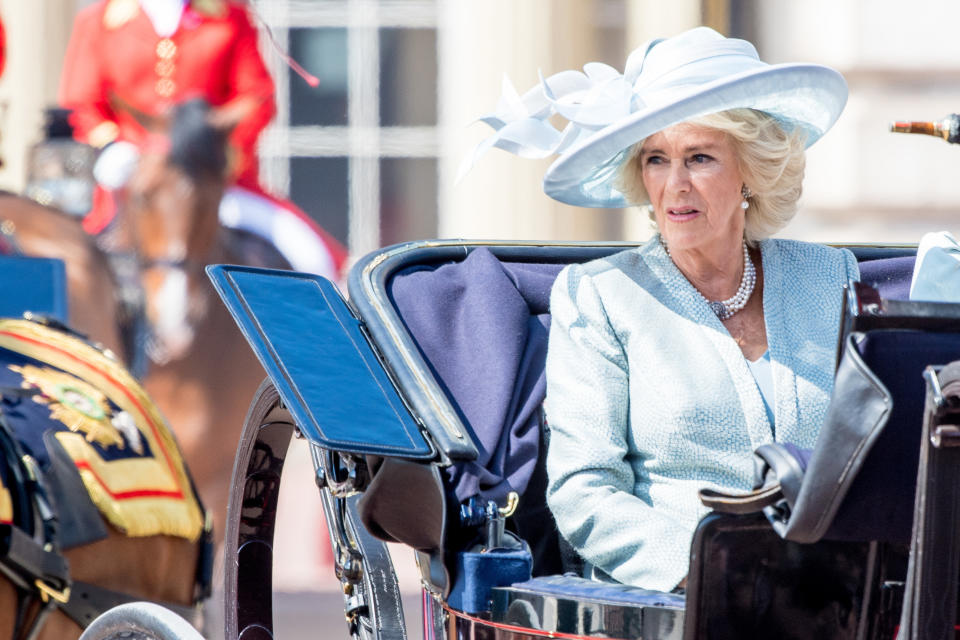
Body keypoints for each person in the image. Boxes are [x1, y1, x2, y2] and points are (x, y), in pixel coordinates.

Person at [465, 27, 858, 592]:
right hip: (672, 600)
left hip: (836, 595)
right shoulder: (599, 296)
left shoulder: (829, 277)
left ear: (748, 168)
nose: (674, 185)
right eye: (656, 159)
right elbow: (584, 490)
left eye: (699, 157)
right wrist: (708, 574)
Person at [57, 0, 346, 280]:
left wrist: (224, 152)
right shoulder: (98, 22)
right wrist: (111, 146)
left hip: (216, 180)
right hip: (132, 180)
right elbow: (81, 103)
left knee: (309, 256)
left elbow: (256, 96)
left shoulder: (229, 17)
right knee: (78, 268)